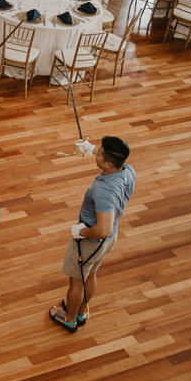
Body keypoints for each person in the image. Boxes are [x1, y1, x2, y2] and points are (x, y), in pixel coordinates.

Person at [49, 136, 136, 333]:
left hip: (91, 241)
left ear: (108, 163)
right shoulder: (128, 170)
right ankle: (80, 312)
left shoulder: (105, 190)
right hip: (109, 238)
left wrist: (82, 232)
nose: (95, 152)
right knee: (90, 273)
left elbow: (102, 228)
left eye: (99, 153)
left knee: (77, 280)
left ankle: (70, 319)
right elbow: (108, 231)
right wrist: (91, 149)